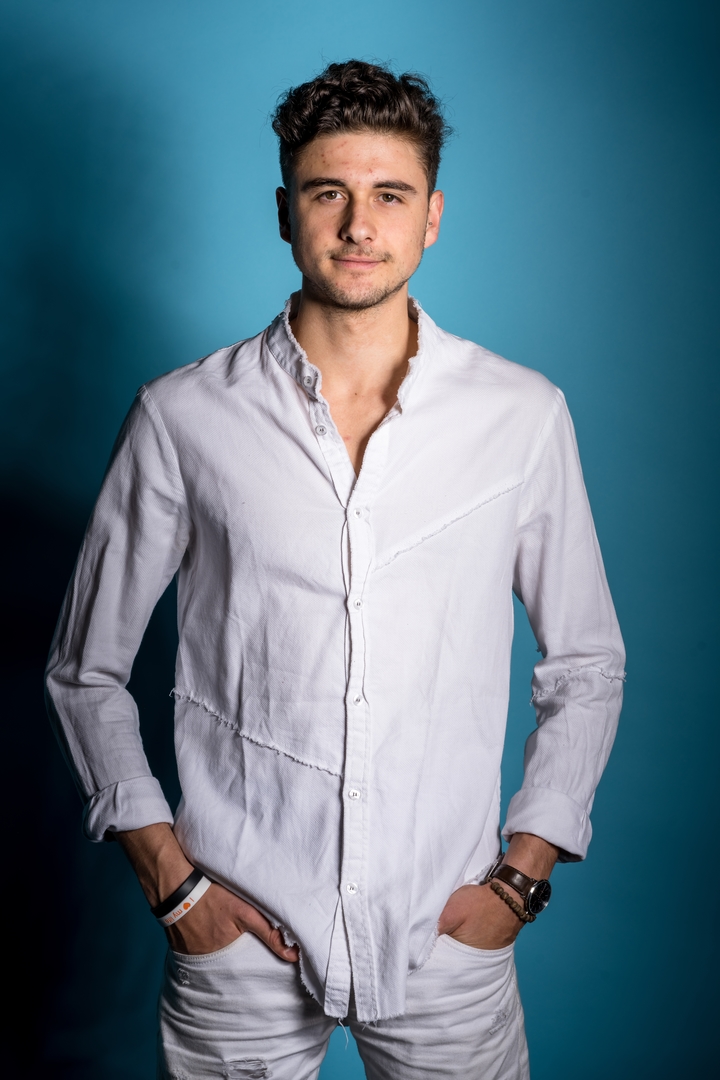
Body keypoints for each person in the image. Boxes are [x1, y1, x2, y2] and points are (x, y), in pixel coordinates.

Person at [45, 60, 625, 1080]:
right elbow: (85, 672)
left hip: (446, 940)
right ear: (285, 212)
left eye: (390, 195)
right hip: (236, 941)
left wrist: (521, 878)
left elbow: (585, 662)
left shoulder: (522, 417)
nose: (360, 225)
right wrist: (173, 884)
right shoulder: (182, 418)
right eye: (328, 193)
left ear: (432, 216)